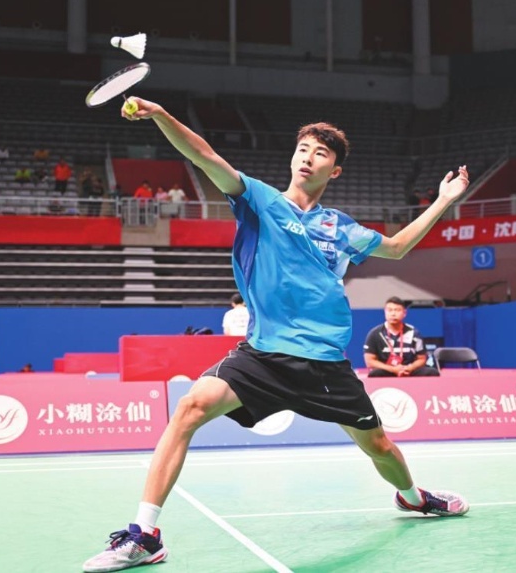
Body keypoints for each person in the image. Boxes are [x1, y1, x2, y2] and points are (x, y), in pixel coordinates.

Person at [82, 100, 470, 573]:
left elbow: (397, 247)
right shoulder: (259, 200)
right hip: (263, 355)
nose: (308, 157)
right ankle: (145, 535)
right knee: (189, 408)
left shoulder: (339, 227)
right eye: (303, 148)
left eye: (320, 153)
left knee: (379, 447)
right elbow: (204, 156)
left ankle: (413, 497)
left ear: (335, 170)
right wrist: (162, 115)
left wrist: (444, 200)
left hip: (324, 361)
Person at [363, 296, 437, 377]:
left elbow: (422, 359)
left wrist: (409, 368)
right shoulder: (375, 333)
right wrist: (393, 369)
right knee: (375, 373)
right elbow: (370, 361)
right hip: (387, 370)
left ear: (404, 313)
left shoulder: (414, 333)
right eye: (390, 310)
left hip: (409, 370)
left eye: (397, 310)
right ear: (385, 312)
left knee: (432, 372)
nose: (393, 314)